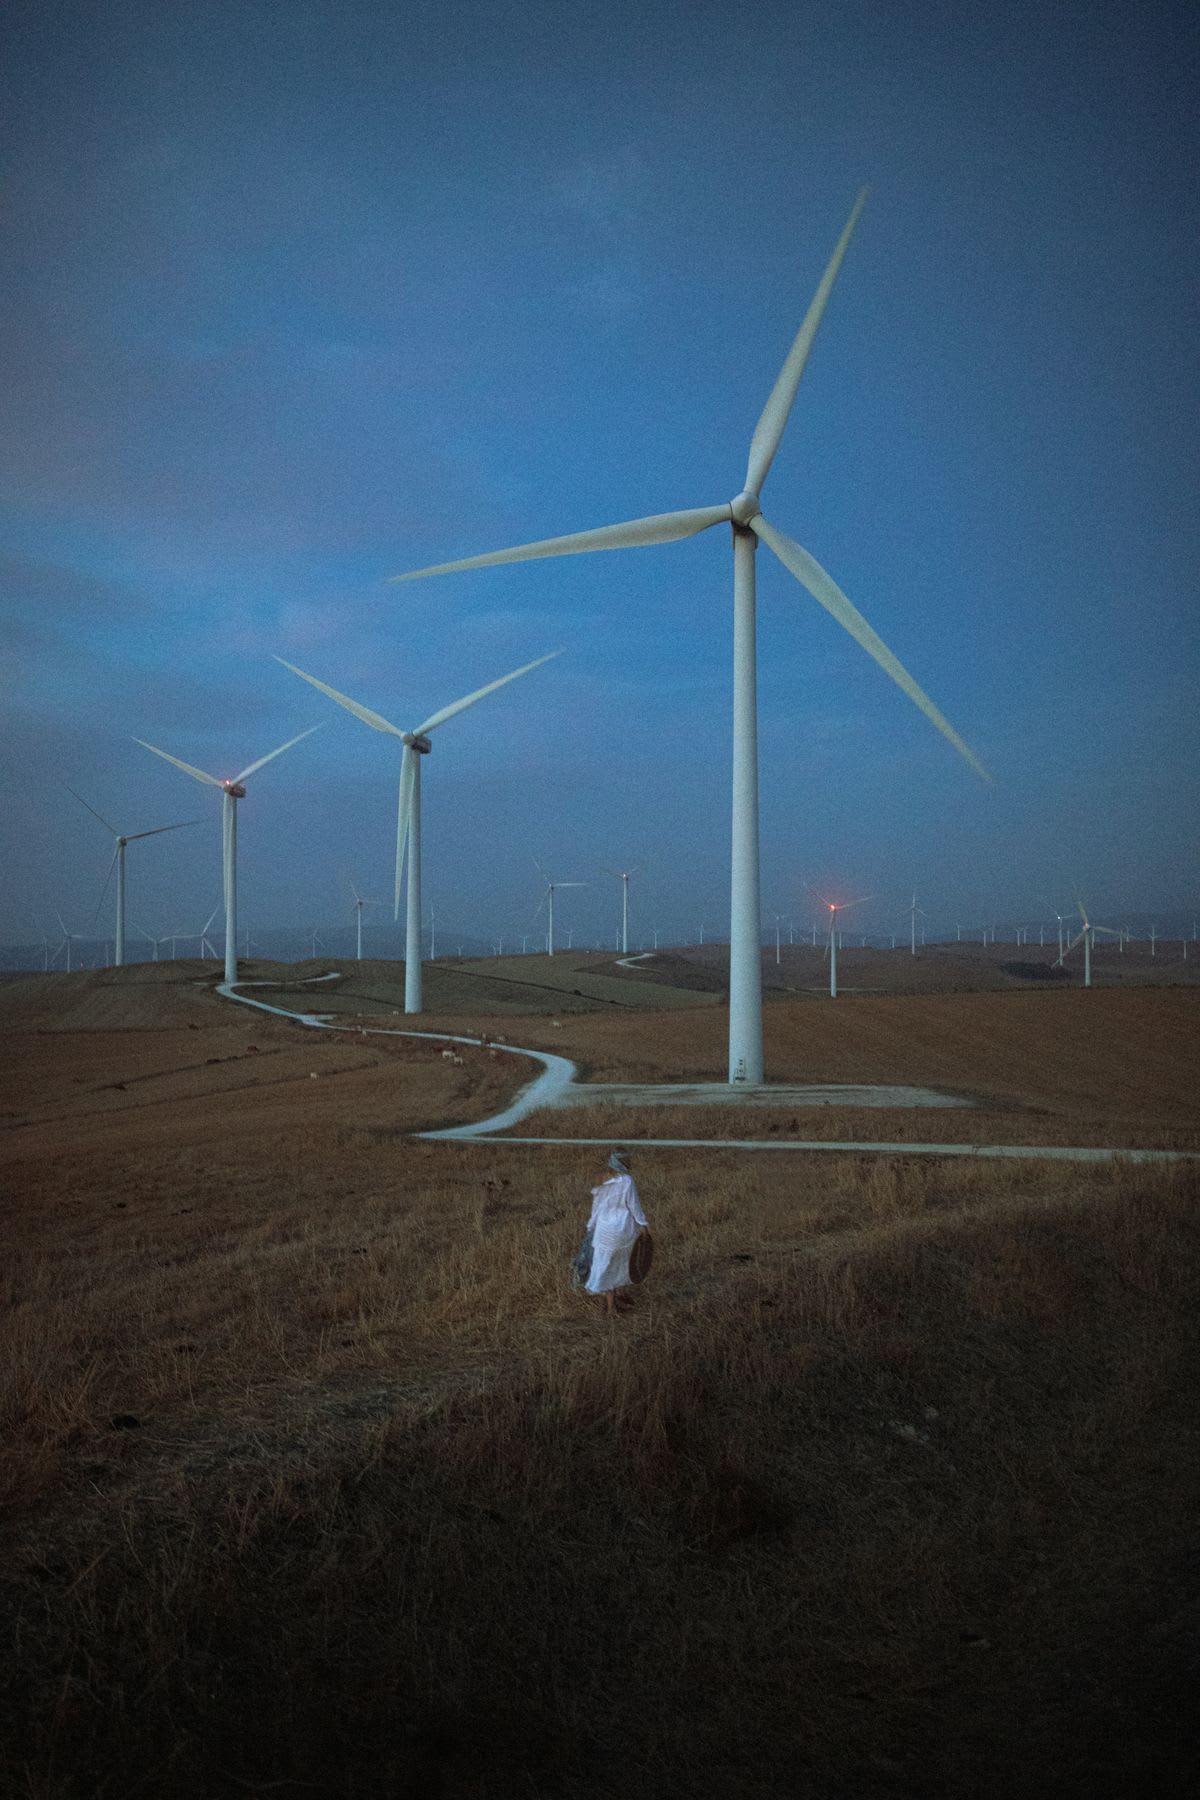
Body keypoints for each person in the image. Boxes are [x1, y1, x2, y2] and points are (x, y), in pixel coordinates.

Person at [583, 1152, 649, 1316]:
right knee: (618, 1266)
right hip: (621, 1230)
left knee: (604, 1266)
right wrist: (643, 1224)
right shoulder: (627, 1180)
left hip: (603, 1231)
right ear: (623, 1163)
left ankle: (608, 1304)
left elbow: (596, 1209)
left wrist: (590, 1227)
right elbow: (634, 1206)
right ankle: (612, 1308)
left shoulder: (602, 1181)